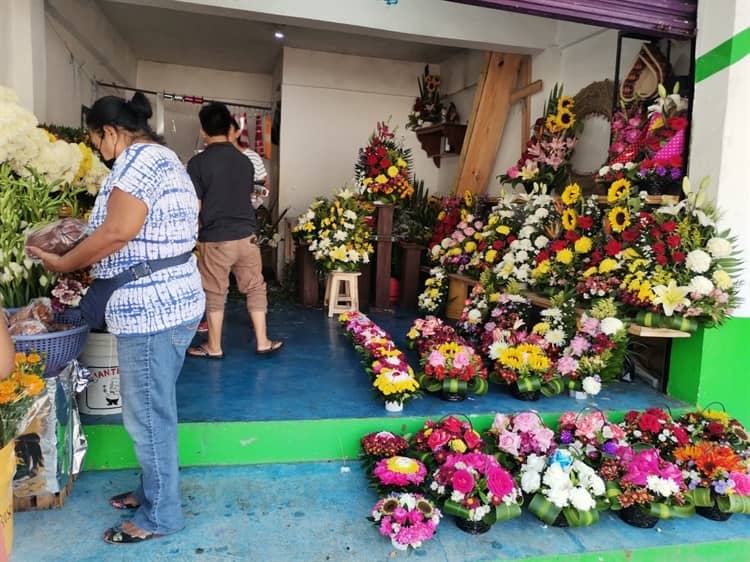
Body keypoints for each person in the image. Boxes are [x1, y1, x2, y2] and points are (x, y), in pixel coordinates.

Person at [28, 92, 204, 544]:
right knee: (155, 407)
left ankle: (161, 515)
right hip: (174, 300)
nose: (97, 151)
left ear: (109, 132)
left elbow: (118, 231)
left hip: (152, 309)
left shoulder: (138, 162)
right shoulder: (163, 159)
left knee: (148, 416)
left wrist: (65, 263)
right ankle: (153, 490)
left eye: (95, 141)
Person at [186, 103, 282, 359]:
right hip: (247, 236)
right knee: (255, 287)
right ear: (230, 128)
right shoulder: (245, 162)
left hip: (216, 238)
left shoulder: (197, 164)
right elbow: (254, 198)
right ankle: (263, 341)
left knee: (216, 292)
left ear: (203, 130)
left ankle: (214, 346)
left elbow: (195, 206)